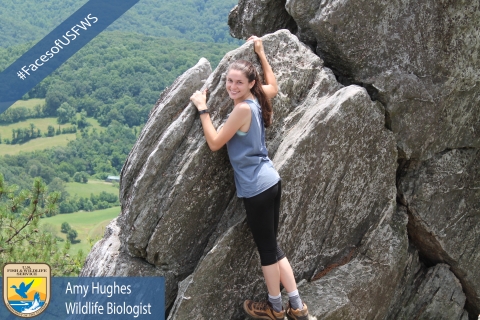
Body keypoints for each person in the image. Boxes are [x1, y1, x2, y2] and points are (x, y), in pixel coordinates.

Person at [190, 35, 309, 320]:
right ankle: (297, 305)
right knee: (273, 245)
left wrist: (202, 107)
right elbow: (275, 87)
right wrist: (261, 53)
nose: (232, 87)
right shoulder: (257, 98)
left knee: (267, 250)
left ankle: (276, 308)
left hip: (256, 188)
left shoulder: (243, 108)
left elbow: (216, 142)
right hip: (270, 181)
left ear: (250, 85)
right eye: (229, 81)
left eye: (238, 82)